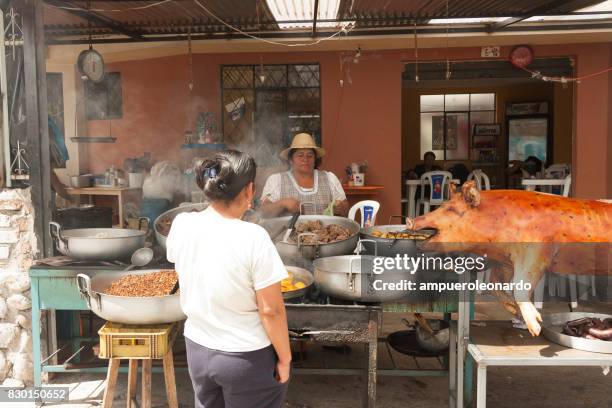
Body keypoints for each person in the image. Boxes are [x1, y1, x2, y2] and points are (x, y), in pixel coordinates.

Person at [166, 150, 291, 408]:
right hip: (246, 358)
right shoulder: (254, 237)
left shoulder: (182, 224)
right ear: (249, 190)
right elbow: (271, 311)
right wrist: (285, 358)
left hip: (198, 351)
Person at [260, 133, 349, 217]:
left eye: (310, 155)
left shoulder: (330, 178)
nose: (305, 159)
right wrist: (283, 203)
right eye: (300, 155)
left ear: (315, 159)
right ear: (291, 159)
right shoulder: (276, 180)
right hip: (288, 233)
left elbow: (345, 208)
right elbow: (264, 212)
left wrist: (341, 207)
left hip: (324, 233)